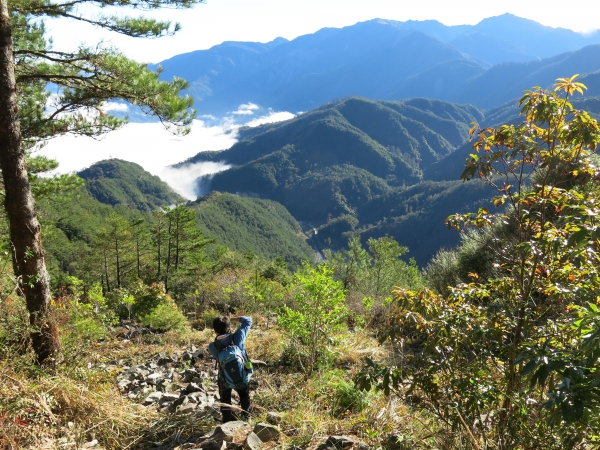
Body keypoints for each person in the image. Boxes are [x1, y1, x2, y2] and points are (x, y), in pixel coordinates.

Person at [208, 315, 253, 422]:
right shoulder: (238, 336)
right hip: (242, 375)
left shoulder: (212, 346)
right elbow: (248, 320)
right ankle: (247, 417)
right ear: (229, 327)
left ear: (215, 331)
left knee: (225, 399)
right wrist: (230, 318)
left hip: (224, 378)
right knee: (244, 396)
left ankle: (227, 421)